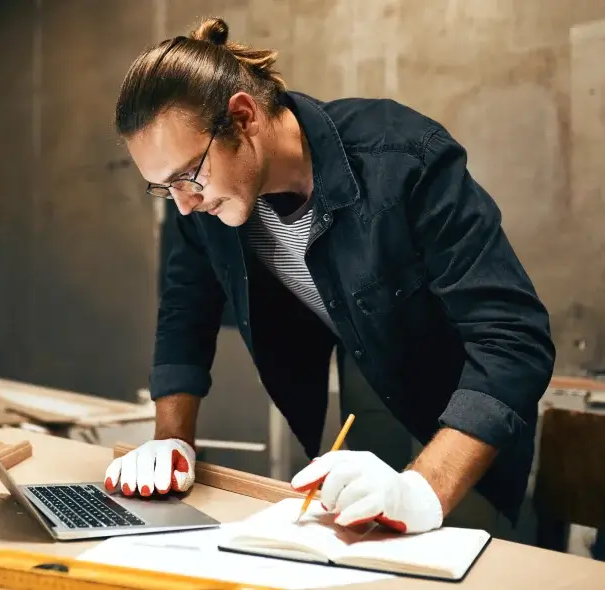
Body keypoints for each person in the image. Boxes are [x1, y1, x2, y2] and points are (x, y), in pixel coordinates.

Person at [103, 16, 555, 538]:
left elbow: (514, 338)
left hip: (466, 407)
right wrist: (171, 440)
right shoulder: (205, 206)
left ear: (244, 117)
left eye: (188, 175)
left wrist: (424, 487)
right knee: (356, 548)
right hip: (367, 378)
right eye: (163, 187)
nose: (184, 204)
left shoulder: (402, 158)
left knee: (461, 555)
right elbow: (186, 308)